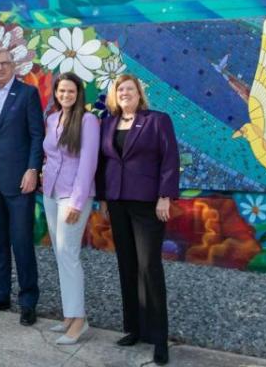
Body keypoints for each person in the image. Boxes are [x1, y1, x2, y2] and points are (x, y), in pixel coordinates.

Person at [96, 74, 180, 365]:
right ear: (114, 94)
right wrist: (104, 198)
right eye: (120, 89)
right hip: (117, 202)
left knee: (149, 267)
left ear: (139, 93)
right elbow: (102, 162)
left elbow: (170, 158)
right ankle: (134, 328)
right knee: (127, 266)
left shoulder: (157, 120)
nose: (125, 93)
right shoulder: (107, 123)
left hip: (147, 204)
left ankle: (159, 339)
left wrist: (165, 196)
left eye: (129, 89)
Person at [0, 47, 43, 325]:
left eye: (4, 63)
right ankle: (0, 294)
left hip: (19, 181)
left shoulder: (27, 94)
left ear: (13, 66)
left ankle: (28, 301)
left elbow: (37, 135)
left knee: (22, 242)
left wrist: (32, 169)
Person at [41, 73, 100, 345]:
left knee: (69, 254)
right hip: (51, 193)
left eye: (71, 91)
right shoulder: (52, 119)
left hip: (73, 196)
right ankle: (68, 315)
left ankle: (79, 320)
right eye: (61, 91)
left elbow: (88, 163)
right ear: (55, 93)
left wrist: (77, 202)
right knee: (60, 254)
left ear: (79, 93)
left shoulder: (88, 121)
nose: (66, 95)